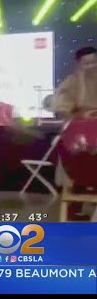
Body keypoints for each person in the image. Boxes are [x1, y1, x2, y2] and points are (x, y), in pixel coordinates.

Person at [52, 46, 97, 218]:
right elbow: (61, 108)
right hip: (78, 135)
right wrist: (80, 114)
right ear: (78, 64)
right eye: (87, 63)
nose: (91, 66)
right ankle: (76, 202)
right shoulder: (71, 82)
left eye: (94, 62)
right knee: (77, 157)